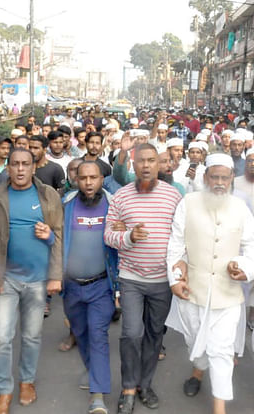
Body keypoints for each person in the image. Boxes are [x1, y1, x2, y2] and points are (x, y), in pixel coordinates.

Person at [165, 153, 254, 414]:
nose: (219, 182)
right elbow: (175, 245)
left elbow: (251, 249)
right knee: (195, 343)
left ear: (231, 179)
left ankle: (220, 408)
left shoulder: (241, 208)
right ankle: (198, 370)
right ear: (205, 178)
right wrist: (175, 279)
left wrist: (244, 267)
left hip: (227, 294)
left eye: (224, 178)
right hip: (191, 290)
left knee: (221, 350)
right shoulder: (188, 202)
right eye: (214, 177)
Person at [0, 148, 63, 414]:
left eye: (25, 164)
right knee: (1, 337)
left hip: (38, 281)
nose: (19, 169)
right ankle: (4, 390)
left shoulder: (48, 196)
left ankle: (27, 381)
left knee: (31, 336)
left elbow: (58, 237)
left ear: (33, 167)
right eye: (14, 164)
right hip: (6, 279)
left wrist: (54, 274)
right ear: (8, 167)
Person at [104, 144, 181, 413]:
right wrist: (128, 237)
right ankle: (127, 387)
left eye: (152, 161)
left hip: (163, 280)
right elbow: (108, 235)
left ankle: (145, 385)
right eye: (141, 161)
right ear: (132, 165)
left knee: (154, 335)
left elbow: (182, 237)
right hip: (131, 278)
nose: (146, 166)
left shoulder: (173, 196)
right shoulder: (121, 197)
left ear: (159, 165)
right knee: (131, 333)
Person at [63, 161, 119, 414]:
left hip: (101, 285)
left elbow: (123, 243)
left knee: (98, 336)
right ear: (76, 179)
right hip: (72, 287)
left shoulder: (114, 204)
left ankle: (98, 396)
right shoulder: (66, 204)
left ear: (101, 179)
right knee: (82, 333)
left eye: (93, 178)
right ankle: (92, 370)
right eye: (83, 178)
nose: (88, 183)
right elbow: (58, 239)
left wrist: (119, 287)